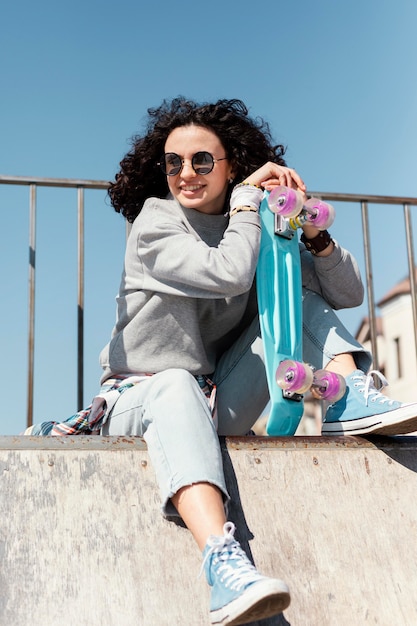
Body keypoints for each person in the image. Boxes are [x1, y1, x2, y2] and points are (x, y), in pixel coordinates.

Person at [24, 97, 417, 625]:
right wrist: (247, 202)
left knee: (296, 297)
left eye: (202, 161)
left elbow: (346, 293)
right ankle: (223, 566)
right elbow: (228, 273)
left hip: (212, 399)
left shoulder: (249, 224)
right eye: (174, 163)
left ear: (231, 163)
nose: (186, 174)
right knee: (172, 384)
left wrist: (314, 234)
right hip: (137, 398)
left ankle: (347, 395)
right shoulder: (154, 223)